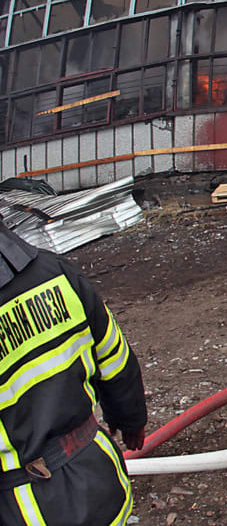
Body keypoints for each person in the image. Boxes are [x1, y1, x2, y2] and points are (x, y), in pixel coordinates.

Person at [0, 216, 146, 525]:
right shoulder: (57, 273)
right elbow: (115, 357)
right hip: (99, 480)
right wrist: (130, 420)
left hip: (21, 507)